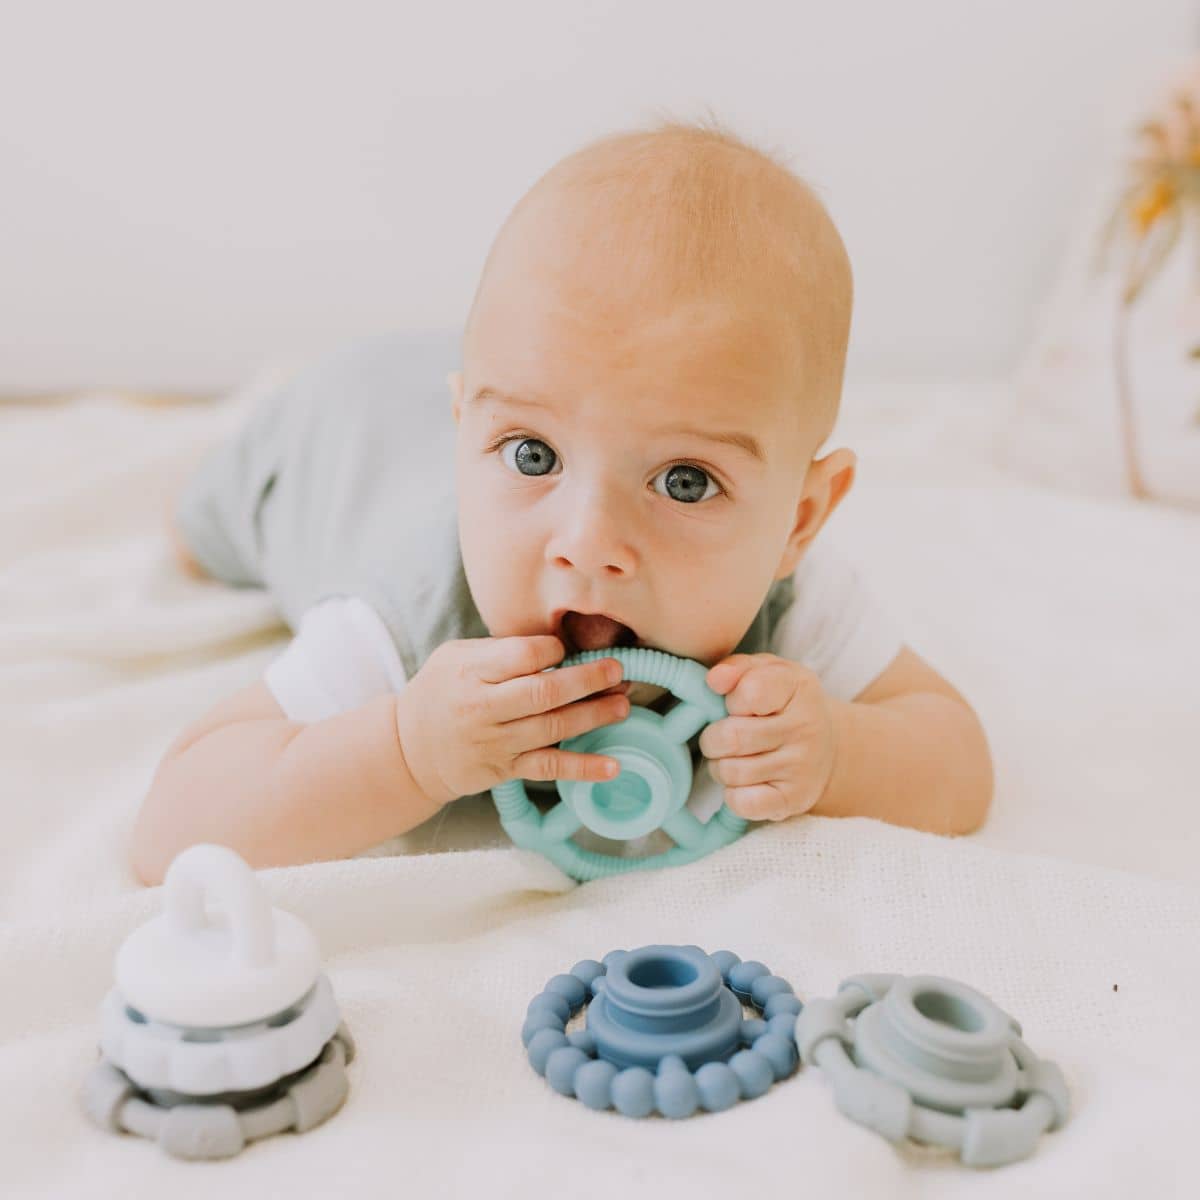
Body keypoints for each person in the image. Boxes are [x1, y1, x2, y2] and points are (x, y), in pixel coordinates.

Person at [133, 117, 993, 884]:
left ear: (798, 523)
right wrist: (406, 749)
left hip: (467, 399)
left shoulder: (788, 596)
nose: (589, 543)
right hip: (335, 439)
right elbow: (172, 828)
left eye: (685, 481)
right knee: (203, 525)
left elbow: (956, 755)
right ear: (468, 433)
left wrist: (839, 753)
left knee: (564, 388)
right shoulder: (407, 616)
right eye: (533, 456)